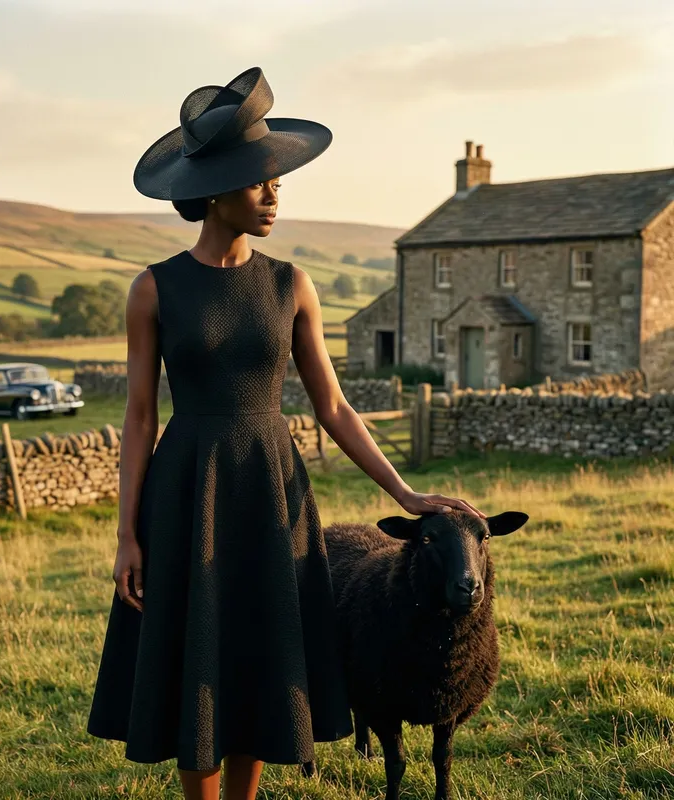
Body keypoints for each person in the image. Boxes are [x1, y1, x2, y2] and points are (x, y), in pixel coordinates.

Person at [86, 65, 485, 800]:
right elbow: (139, 418)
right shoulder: (154, 288)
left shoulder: (293, 284)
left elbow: (332, 406)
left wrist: (402, 488)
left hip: (272, 495)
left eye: (277, 181)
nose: (274, 194)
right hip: (186, 496)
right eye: (257, 181)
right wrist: (126, 536)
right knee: (198, 664)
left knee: (262, 666)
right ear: (214, 192)